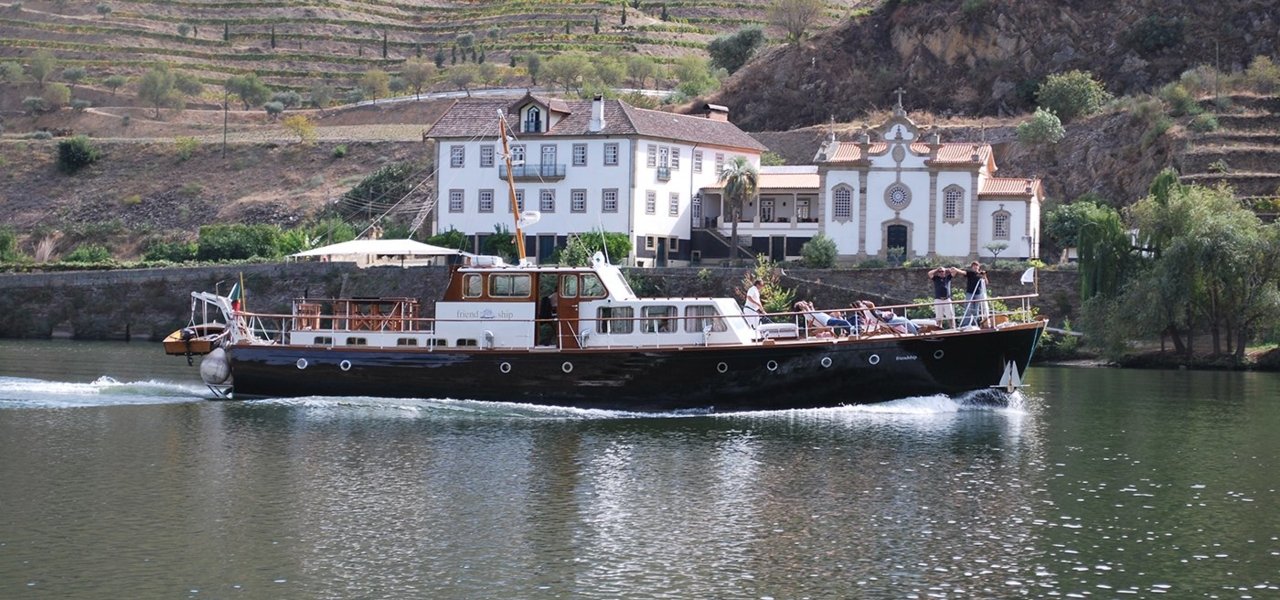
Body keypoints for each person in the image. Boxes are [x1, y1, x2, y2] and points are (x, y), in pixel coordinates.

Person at [959, 261, 988, 328]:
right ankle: (965, 324)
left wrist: (984, 276)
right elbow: (963, 272)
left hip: (978, 294)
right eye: (974, 266)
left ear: (978, 267)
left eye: (976, 265)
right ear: (972, 267)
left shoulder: (980, 274)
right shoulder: (970, 273)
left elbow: (986, 283)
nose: (975, 267)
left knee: (976, 309)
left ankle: (975, 324)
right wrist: (956, 269)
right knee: (968, 308)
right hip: (970, 293)